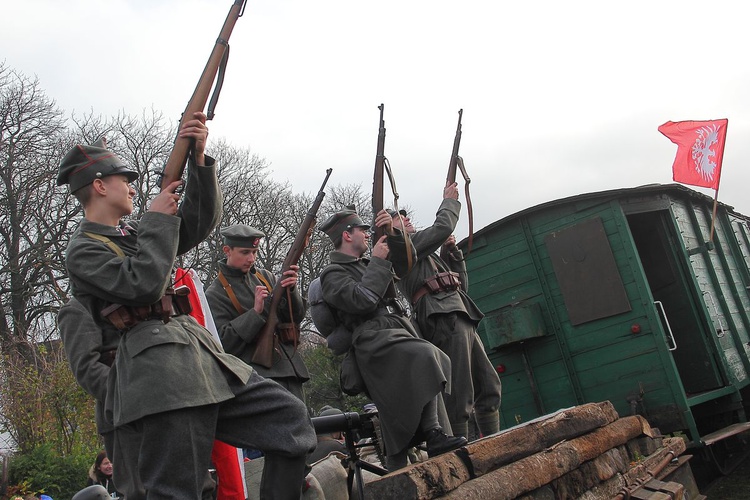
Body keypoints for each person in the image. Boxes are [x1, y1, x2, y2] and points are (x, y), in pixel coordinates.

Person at [57, 112, 316, 499]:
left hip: (202, 361)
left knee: (291, 423)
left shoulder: (136, 233)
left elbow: (198, 221)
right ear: (98, 185)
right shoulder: (84, 249)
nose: (131, 188)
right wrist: (157, 222)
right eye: (124, 180)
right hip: (159, 379)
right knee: (178, 490)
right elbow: (142, 285)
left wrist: (198, 160)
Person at [317, 206, 467, 470]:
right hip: (371, 339)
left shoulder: (366, 262)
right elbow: (361, 300)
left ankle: (424, 443)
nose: (367, 235)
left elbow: (405, 262)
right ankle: (432, 433)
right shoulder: (332, 274)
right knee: (425, 355)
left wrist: (391, 234)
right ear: (347, 235)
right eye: (362, 230)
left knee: (426, 368)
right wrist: (377, 261)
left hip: (392, 329)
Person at [388, 181, 502, 439]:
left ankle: (494, 442)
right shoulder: (401, 249)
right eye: (397, 219)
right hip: (442, 317)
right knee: (460, 393)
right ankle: (463, 451)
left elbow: (460, 286)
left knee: (489, 386)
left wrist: (453, 254)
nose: (404, 219)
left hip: (457, 312)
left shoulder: (424, 252)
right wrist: (449, 201)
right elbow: (443, 227)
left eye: (405, 216)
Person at [205, 224, 309, 401]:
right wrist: (256, 312)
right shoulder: (215, 293)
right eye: (245, 252)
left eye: (254, 252)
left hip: (289, 369)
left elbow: (296, 316)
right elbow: (222, 343)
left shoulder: (266, 277)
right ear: (227, 250)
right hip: (255, 376)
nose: (251, 258)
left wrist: (291, 290)